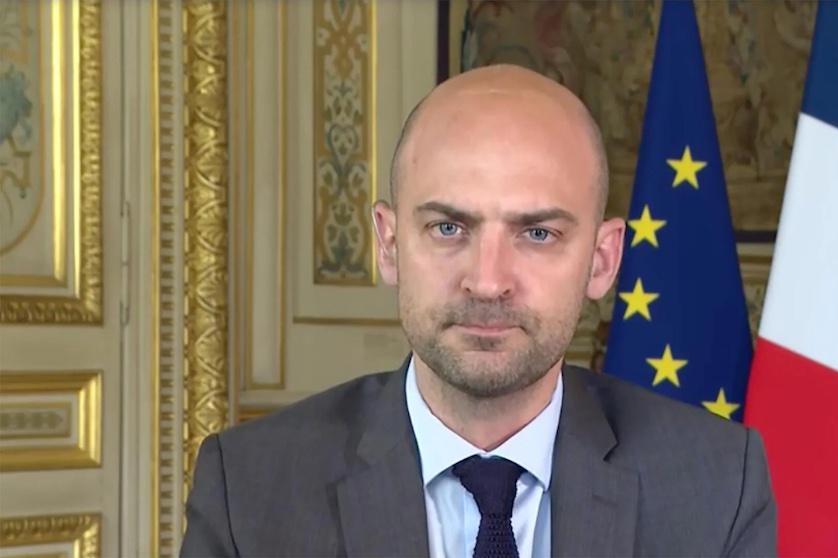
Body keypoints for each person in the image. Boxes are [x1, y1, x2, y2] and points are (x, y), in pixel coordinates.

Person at [181, 64, 776, 558]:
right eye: (448, 227)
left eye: (537, 234)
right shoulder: (249, 490)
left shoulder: (718, 488)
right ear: (388, 245)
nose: (488, 282)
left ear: (602, 261)